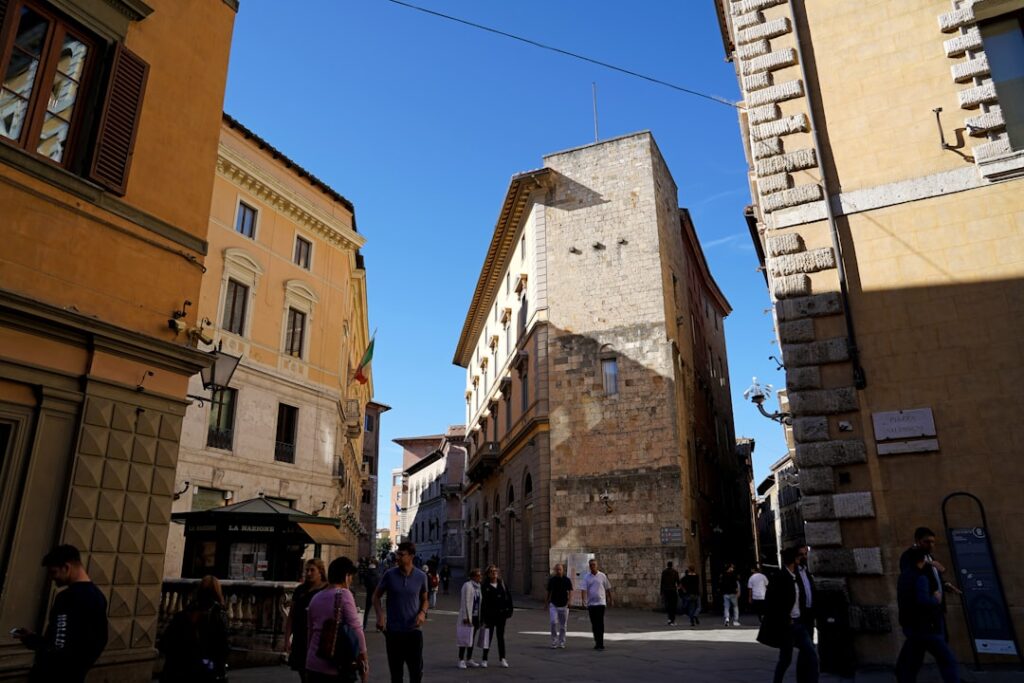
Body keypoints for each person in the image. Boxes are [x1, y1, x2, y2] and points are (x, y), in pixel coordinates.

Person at [12, 544, 108, 683]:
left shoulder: (67, 598)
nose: (51, 578)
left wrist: (35, 643)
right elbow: (99, 640)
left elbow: (58, 644)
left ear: (66, 568)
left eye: (53, 572)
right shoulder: (98, 597)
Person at [895, 547, 960, 683]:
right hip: (926, 626)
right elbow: (924, 601)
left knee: (910, 663)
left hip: (911, 625)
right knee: (947, 660)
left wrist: (943, 578)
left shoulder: (904, 576)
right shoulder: (920, 577)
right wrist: (936, 599)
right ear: (922, 559)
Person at [758, 546, 819, 683]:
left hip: (799, 623)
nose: (801, 558)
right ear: (793, 559)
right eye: (799, 556)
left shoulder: (797, 576)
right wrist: (785, 619)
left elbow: (803, 596)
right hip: (787, 625)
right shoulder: (780, 577)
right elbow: (771, 602)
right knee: (786, 659)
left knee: (811, 655)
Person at [373, 541, 429, 683]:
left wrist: (422, 613)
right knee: (396, 675)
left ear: (411, 556)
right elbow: (376, 597)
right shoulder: (389, 575)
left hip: (414, 632)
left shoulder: (421, 576)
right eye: (397, 554)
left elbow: (425, 599)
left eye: (401, 554)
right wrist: (380, 615)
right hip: (393, 632)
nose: (397, 557)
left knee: (416, 674)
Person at [307, 556, 369, 683]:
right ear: (346, 576)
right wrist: (364, 659)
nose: (351, 580)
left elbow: (310, 630)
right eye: (351, 577)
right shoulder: (344, 595)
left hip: (313, 662)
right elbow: (356, 628)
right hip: (335, 665)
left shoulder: (316, 598)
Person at [158, 575, 230, 682]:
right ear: (217, 592)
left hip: (179, 669)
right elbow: (223, 647)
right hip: (204, 671)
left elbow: (165, 642)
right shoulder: (219, 615)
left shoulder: (184, 613)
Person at [286, 558, 329, 681]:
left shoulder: (325, 590)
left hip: (316, 638)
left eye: (312, 570)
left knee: (314, 674)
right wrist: (287, 638)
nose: (309, 573)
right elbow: (291, 615)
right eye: (307, 570)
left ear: (320, 571)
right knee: (302, 671)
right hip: (300, 637)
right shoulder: (300, 590)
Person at [480, 565, 514, 668]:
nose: (494, 572)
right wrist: (483, 618)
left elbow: (508, 598)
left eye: (495, 571)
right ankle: (484, 659)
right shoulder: (485, 586)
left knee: (500, 637)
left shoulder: (502, 584)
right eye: (491, 571)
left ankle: (502, 658)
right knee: (487, 638)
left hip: (501, 615)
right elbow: (483, 603)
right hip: (489, 616)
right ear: (488, 574)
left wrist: (509, 611)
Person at [581, 558, 612, 651]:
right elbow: (583, 589)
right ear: (589, 566)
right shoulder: (587, 577)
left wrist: (610, 599)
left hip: (601, 603)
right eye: (591, 565)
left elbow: (608, 588)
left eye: (594, 565)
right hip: (591, 604)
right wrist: (583, 600)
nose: (592, 566)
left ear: (597, 565)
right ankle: (596, 641)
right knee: (594, 624)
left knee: (600, 623)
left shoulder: (602, 576)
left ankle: (600, 643)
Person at [456, 568, 483, 669]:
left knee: (471, 638)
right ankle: (461, 660)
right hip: (468, 617)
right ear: (473, 577)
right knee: (464, 638)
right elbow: (464, 602)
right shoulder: (467, 585)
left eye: (480, 575)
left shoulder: (478, 587)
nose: (480, 577)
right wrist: (465, 616)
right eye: (478, 575)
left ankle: (469, 659)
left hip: (476, 616)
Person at [545, 563, 573, 649]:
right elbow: (549, 592)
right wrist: (546, 603)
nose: (558, 571)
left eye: (560, 569)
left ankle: (562, 641)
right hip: (554, 604)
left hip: (564, 605)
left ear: (562, 570)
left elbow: (570, 591)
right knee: (553, 622)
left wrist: (569, 602)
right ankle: (554, 640)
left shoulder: (567, 580)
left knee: (563, 625)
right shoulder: (552, 580)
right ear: (555, 570)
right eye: (557, 569)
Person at [660, 561, 681, 625]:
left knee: (668, 605)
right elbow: (678, 582)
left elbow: (662, 582)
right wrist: (679, 590)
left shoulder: (664, 572)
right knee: (673, 605)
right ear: (672, 565)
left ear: (667, 565)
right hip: (673, 590)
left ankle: (669, 619)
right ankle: (673, 619)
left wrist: (661, 591)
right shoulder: (675, 572)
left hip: (666, 590)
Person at [360, 561, 379, 629]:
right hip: (377, 596)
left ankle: (364, 626)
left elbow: (365, 584)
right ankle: (378, 627)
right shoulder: (378, 575)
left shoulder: (366, 575)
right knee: (378, 612)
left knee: (367, 611)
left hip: (369, 595)